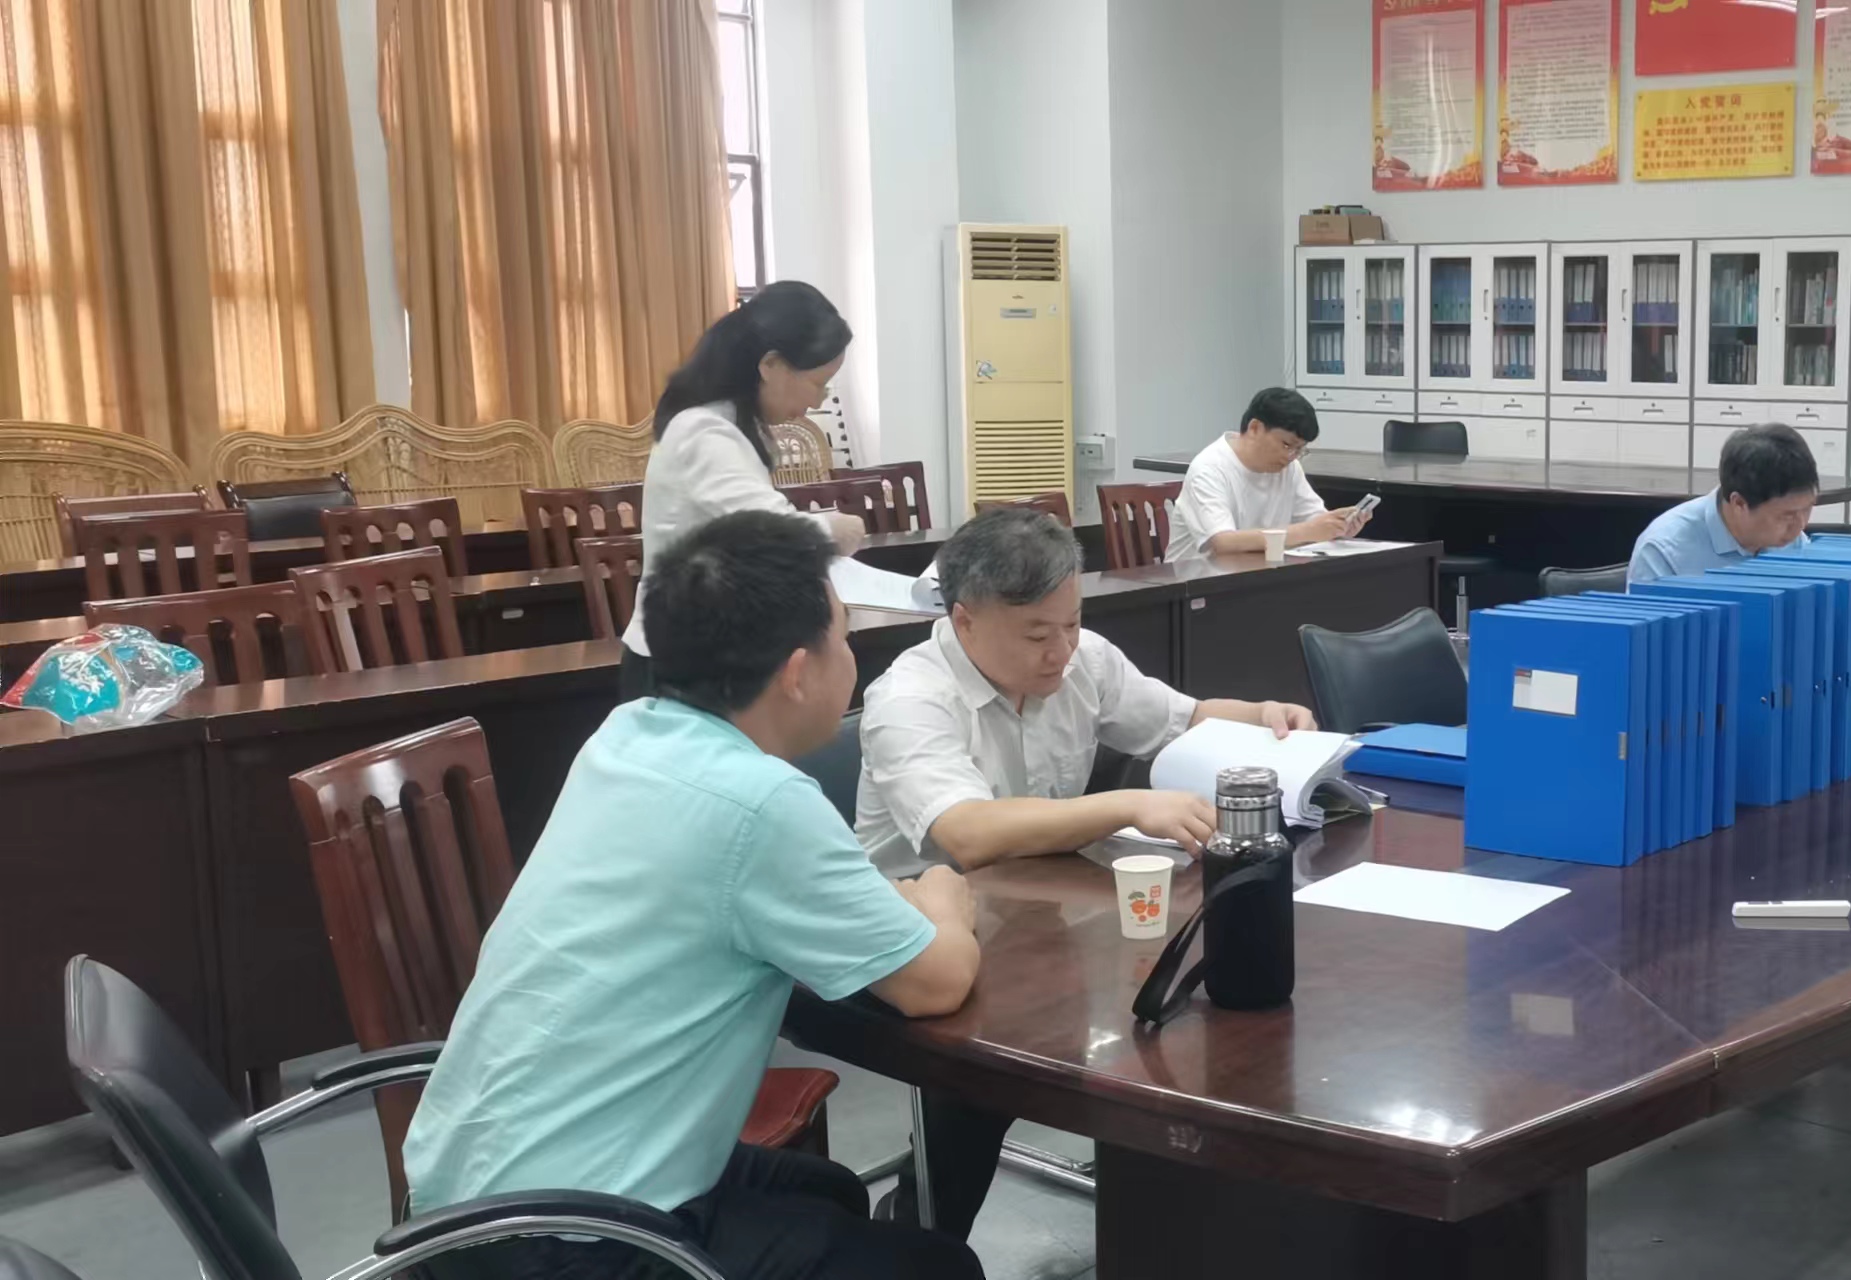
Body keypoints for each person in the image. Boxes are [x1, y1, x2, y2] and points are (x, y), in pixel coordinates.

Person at [408, 511, 985, 1280]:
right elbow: (934, 983)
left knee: (831, 1193)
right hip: (563, 1239)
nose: (851, 656)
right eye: (844, 637)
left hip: (468, 1194)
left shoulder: (627, 735)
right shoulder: (760, 799)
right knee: (936, 1269)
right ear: (797, 672)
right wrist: (945, 901)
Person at [855, 506, 1319, 876]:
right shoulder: (910, 700)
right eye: (1037, 636)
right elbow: (967, 833)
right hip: (919, 928)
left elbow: (1185, 720)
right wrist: (1128, 805)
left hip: (1037, 896)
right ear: (965, 622)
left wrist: (1260, 715)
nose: (1062, 651)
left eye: (1073, 623)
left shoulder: (1086, 657)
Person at [624, 280, 870, 703]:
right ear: (770, 364)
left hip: (710, 649)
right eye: (818, 383)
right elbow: (770, 530)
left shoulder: (733, 425)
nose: (818, 402)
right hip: (677, 663)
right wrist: (835, 528)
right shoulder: (704, 431)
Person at [1166, 387, 1373, 562]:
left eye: (1300, 450)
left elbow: (1315, 520)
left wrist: (1338, 527)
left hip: (1259, 574)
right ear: (1255, 428)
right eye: (1287, 445)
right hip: (1195, 584)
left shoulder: (1289, 467)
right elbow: (1223, 542)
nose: (1292, 456)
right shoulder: (1210, 468)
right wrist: (1309, 530)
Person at [1626, 423, 1819, 583]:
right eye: (1786, 516)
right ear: (1739, 504)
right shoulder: (1664, 551)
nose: (1800, 526)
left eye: (1807, 509)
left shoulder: (1793, 541)